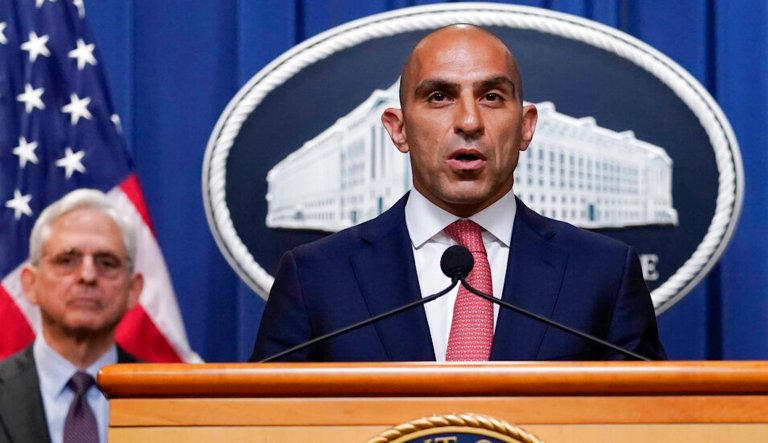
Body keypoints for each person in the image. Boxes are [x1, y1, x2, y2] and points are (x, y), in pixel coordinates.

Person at [251, 24, 666, 362]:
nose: (469, 120)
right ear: (398, 129)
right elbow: (264, 426)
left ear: (525, 127)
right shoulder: (316, 277)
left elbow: (648, 423)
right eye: (439, 97)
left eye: (491, 96)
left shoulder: (603, 274)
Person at [0, 189, 143, 443]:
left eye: (107, 262)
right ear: (30, 284)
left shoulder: (166, 399)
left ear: (133, 289)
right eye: (67, 260)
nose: (87, 276)